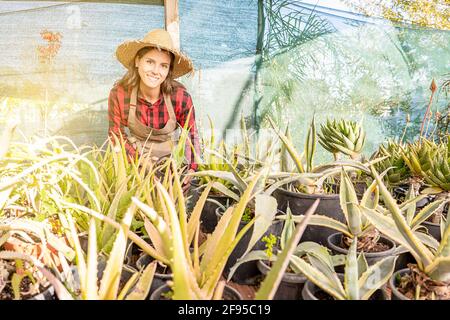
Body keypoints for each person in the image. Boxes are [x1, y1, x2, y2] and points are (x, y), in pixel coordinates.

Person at [108, 29, 200, 189]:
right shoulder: (120, 94)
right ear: (137, 61)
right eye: (150, 62)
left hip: (169, 166)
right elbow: (116, 135)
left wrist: (191, 169)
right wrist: (140, 162)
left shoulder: (180, 97)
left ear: (169, 70)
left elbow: (192, 135)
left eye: (163, 66)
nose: (156, 71)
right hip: (134, 165)